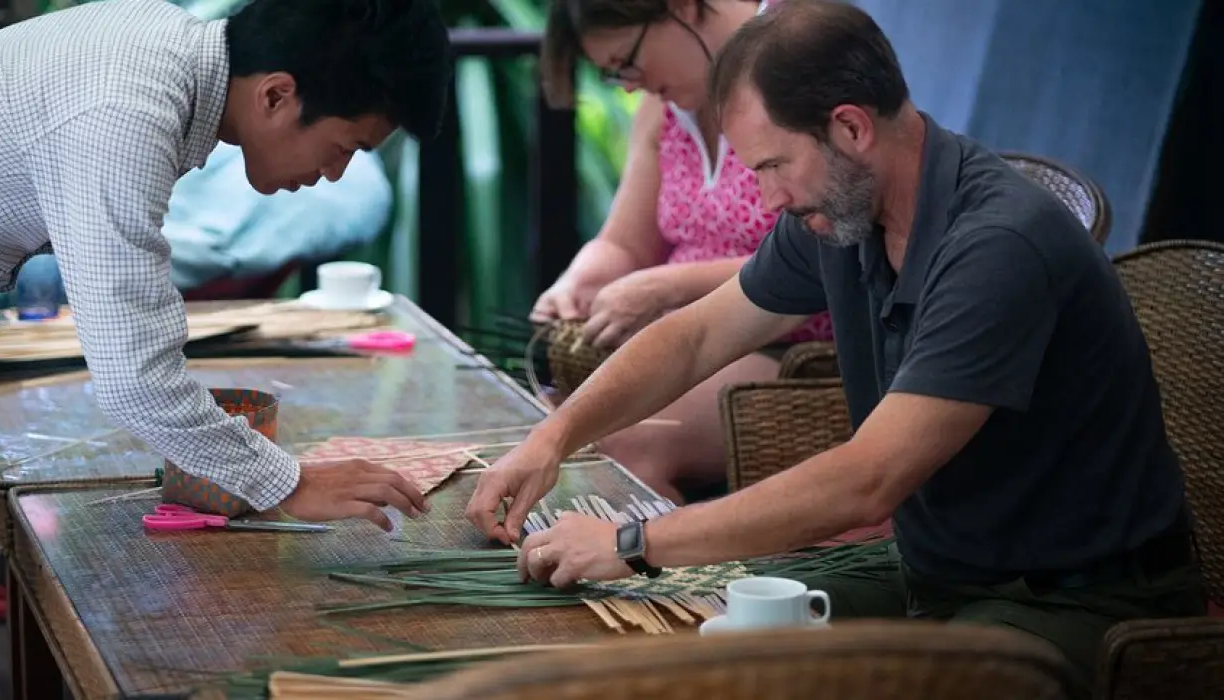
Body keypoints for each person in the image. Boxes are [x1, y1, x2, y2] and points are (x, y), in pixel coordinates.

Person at [467, 1, 1205, 694]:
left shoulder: (998, 246)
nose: (767, 201)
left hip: (1072, 599)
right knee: (695, 643)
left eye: (772, 166)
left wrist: (633, 540)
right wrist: (553, 438)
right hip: (937, 568)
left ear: (850, 128)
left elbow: (868, 480)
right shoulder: (840, 212)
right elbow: (694, 338)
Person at [0, 0, 451, 697]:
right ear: (277, 93)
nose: (336, 175)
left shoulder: (160, 53)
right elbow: (136, 379)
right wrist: (288, 482)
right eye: (346, 147)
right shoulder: (124, 110)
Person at [532, 0, 831, 505]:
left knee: (627, 440)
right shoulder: (666, 104)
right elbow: (626, 242)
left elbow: (828, 255)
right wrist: (578, 283)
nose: (627, 83)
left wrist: (667, 286)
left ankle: (661, 578)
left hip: (797, 346)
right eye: (612, 75)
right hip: (690, 335)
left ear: (682, 7)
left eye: (626, 61)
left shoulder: (802, 56)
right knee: (550, 411)